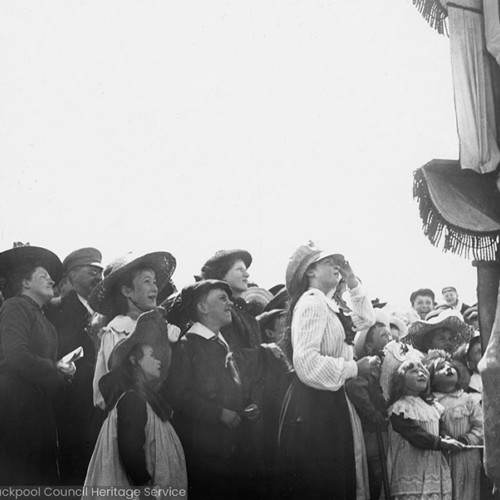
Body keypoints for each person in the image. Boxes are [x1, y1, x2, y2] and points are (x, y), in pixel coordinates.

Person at [278, 241, 378, 500]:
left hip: (330, 400)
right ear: (309, 272)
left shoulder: (329, 305)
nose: (336, 265)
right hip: (314, 407)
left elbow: (366, 319)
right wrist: (355, 367)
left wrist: (352, 281)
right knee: (324, 483)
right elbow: (307, 363)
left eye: (338, 261)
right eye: (328, 261)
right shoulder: (312, 303)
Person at [165, 280, 260, 500]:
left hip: (231, 453)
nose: (230, 303)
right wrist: (218, 413)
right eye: (222, 298)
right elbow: (177, 396)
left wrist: (249, 406)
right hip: (205, 456)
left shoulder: (222, 344)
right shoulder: (186, 346)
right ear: (202, 307)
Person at [83, 309, 187, 498]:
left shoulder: (144, 398)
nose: (158, 360)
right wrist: (144, 489)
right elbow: (131, 450)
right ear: (134, 360)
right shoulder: (132, 399)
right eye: (152, 355)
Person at [0, 245, 75, 485]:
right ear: (25, 283)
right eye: (43, 275)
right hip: (17, 408)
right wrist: (56, 368)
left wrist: (65, 374)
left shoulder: (43, 318)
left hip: (38, 410)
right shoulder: (16, 306)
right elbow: (15, 355)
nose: (51, 280)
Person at [89, 251, 177, 410]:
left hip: (154, 406)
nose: (155, 288)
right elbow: (118, 377)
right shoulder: (117, 329)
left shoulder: (156, 324)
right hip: (128, 410)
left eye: (155, 282)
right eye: (147, 282)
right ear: (127, 291)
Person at [46, 247, 104, 485]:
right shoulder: (56, 309)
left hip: (103, 404)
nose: (99, 278)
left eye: (100, 272)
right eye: (92, 271)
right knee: (77, 473)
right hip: (75, 407)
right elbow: (61, 356)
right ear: (72, 275)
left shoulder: (105, 312)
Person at [386, 359, 460, 500]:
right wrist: (440, 443)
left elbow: (440, 429)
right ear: (401, 379)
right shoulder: (400, 407)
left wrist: (446, 438)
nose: (421, 373)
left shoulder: (433, 406)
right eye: (414, 371)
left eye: (423, 371)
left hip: (433, 467)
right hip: (411, 468)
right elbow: (415, 434)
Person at [425, 350, 483, 500]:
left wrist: (467, 439)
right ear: (431, 379)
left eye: (451, 366)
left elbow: (480, 425)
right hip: (445, 455)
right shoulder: (432, 403)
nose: (448, 369)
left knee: (470, 490)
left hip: (469, 454)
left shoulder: (467, 399)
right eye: (441, 368)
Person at [347, 309, 392, 500]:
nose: (390, 339)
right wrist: (373, 414)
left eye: (390, 334)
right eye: (384, 336)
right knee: (377, 476)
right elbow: (354, 386)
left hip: (386, 432)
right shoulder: (371, 365)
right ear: (369, 347)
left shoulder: (389, 364)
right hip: (373, 434)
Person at [403, 309, 475, 356]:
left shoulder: (459, 361)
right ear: (429, 343)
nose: (448, 342)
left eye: (450, 339)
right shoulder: (423, 362)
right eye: (442, 339)